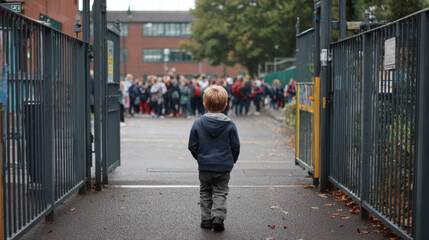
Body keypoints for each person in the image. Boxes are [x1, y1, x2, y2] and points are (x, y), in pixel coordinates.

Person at [188, 85, 240, 231]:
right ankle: (217, 217)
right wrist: (232, 159)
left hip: (205, 165)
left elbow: (192, 145)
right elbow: (235, 145)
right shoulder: (230, 124)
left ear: (204, 105)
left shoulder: (198, 123)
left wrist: (200, 157)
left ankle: (205, 219)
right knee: (220, 191)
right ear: (225, 105)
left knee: (205, 191)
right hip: (224, 165)